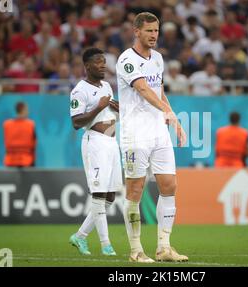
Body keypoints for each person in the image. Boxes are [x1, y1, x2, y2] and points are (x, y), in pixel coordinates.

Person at [116, 12, 188, 263]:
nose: (154, 35)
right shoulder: (126, 60)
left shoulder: (158, 58)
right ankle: (136, 250)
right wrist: (166, 111)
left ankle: (164, 248)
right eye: (149, 31)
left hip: (159, 131)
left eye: (156, 31)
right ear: (136, 32)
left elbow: (158, 90)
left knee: (169, 186)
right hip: (135, 133)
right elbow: (143, 89)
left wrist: (174, 118)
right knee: (135, 190)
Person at [68, 47, 121, 257]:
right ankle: (106, 245)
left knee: (109, 197)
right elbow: (75, 122)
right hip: (95, 143)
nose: (103, 65)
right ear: (87, 66)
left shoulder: (107, 85)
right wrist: (99, 107)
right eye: (98, 62)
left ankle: (80, 236)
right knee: (98, 195)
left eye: (104, 61)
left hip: (112, 142)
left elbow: (107, 109)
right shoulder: (79, 90)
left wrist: (115, 108)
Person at [3, 102, 36, 167]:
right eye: (27, 110)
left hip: (10, 161)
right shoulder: (31, 125)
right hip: (27, 161)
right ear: (23, 110)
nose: (28, 112)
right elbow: (34, 144)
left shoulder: (6, 124)